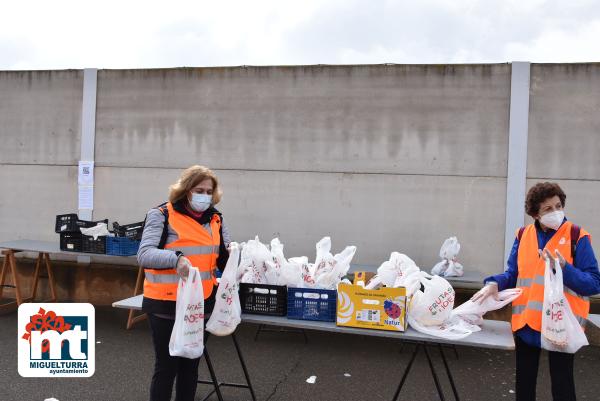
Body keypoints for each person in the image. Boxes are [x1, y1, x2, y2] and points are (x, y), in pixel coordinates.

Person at [472, 182, 600, 401]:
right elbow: (513, 273)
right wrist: (494, 283)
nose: (556, 213)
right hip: (527, 322)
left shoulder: (577, 236)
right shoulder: (523, 236)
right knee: (524, 385)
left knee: (563, 386)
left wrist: (564, 269)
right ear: (535, 214)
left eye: (558, 206)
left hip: (562, 323)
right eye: (548, 209)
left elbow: (594, 283)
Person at [137, 165, 231, 401]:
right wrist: (175, 259)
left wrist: (238, 259)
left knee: (190, 367)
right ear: (186, 190)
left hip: (200, 304)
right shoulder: (162, 214)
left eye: (210, 191)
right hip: (165, 304)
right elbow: (145, 254)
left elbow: (223, 256)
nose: (205, 196)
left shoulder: (216, 218)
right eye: (200, 190)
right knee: (166, 368)